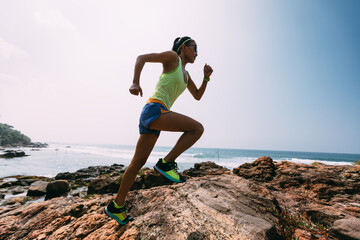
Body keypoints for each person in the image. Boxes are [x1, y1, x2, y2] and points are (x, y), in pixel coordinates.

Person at [104, 36, 213, 225]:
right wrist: (135, 82)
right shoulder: (172, 58)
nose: (197, 53)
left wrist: (205, 78)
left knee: (137, 163)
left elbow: (197, 96)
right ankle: (166, 164)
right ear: (184, 47)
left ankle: (116, 206)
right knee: (197, 128)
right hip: (155, 109)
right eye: (195, 48)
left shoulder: (186, 75)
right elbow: (141, 58)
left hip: (155, 115)